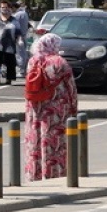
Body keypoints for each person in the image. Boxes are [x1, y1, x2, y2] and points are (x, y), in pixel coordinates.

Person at [23, 33, 77, 181]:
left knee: (35, 140)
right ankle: (54, 172)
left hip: (35, 108)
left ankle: (35, 173)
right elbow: (71, 87)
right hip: (56, 109)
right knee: (54, 142)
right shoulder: (60, 62)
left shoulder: (32, 61)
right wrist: (74, 108)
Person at [0, 0, 21, 84]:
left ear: (9, 8)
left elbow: (18, 32)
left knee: (10, 62)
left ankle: (9, 79)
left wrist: (19, 40)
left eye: (6, 7)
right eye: (2, 7)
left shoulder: (14, 20)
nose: (4, 9)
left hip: (9, 45)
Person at [13, 1, 30, 77]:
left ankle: (21, 71)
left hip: (19, 37)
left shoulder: (17, 15)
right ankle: (24, 70)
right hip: (24, 35)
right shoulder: (24, 13)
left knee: (20, 54)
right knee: (23, 53)